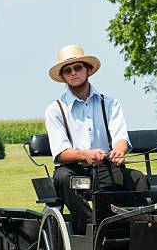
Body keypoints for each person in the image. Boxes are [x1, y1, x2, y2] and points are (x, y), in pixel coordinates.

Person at [45, 44, 148, 235]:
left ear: (88, 70)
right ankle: (88, 227)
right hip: (75, 169)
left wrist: (119, 150)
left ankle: (137, 232)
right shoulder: (55, 109)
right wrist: (86, 155)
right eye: (68, 71)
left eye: (78, 68)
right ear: (63, 77)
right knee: (62, 177)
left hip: (106, 166)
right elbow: (60, 153)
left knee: (138, 179)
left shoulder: (109, 103)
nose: (73, 73)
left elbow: (120, 137)